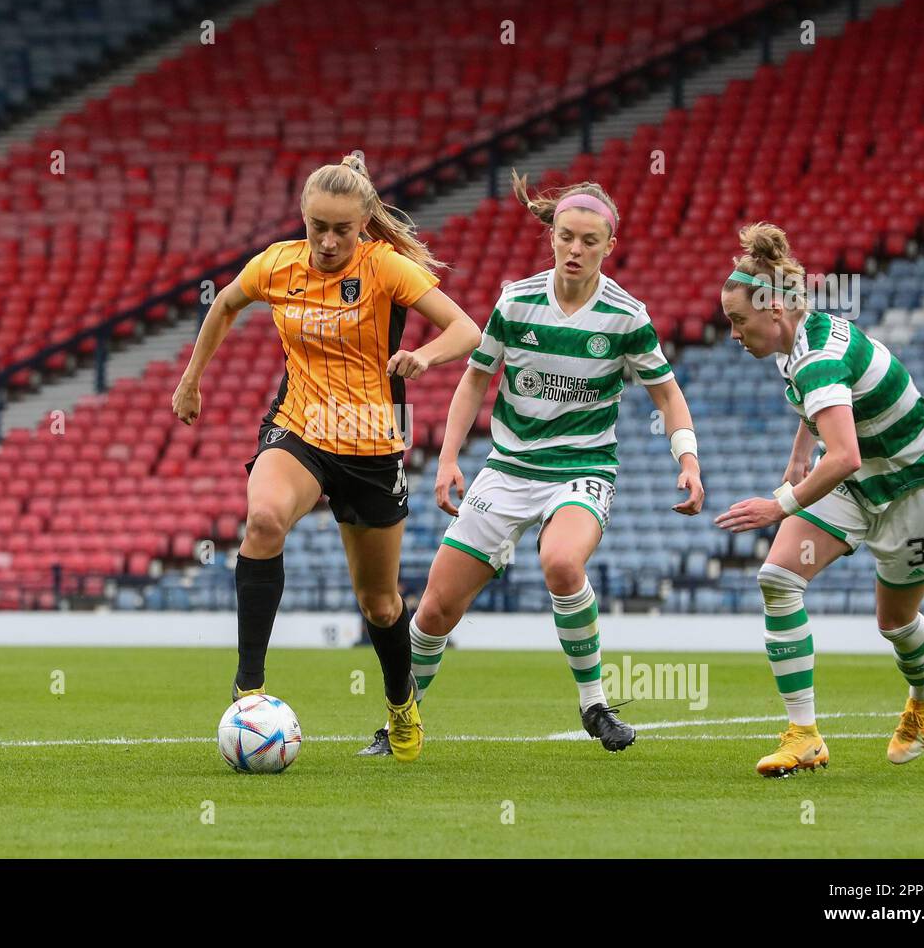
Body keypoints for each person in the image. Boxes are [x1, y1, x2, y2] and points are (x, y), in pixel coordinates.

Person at [359, 171, 705, 756]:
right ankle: (400, 723)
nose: (575, 249)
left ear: (608, 247)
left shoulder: (627, 316)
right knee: (437, 608)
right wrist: (447, 461)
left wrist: (688, 459)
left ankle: (594, 704)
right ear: (552, 236)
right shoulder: (516, 301)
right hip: (507, 470)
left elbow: (667, 395)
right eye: (566, 236)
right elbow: (473, 381)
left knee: (562, 562)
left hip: (582, 468)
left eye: (589, 241)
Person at [172, 151, 480, 762]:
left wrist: (425, 358)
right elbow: (226, 304)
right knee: (262, 522)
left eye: (343, 229)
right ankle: (249, 688)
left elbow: (466, 329)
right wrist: (191, 379)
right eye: (318, 226)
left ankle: (400, 703)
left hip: (371, 445)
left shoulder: (386, 267)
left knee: (380, 602)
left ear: (364, 225)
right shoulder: (276, 264)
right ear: (303, 218)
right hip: (300, 430)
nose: (329, 240)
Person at [715, 223, 924, 777]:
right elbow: (822, 415)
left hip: (915, 485)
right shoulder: (796, 339)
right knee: (778, 578)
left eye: (737, 321)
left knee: (896, 623)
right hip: (857, 482)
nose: (732, 334)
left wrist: (782, 502)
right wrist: (801, 451)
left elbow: (845, 454)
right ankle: (804, 736)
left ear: (773, 309)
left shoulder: (815, 356)